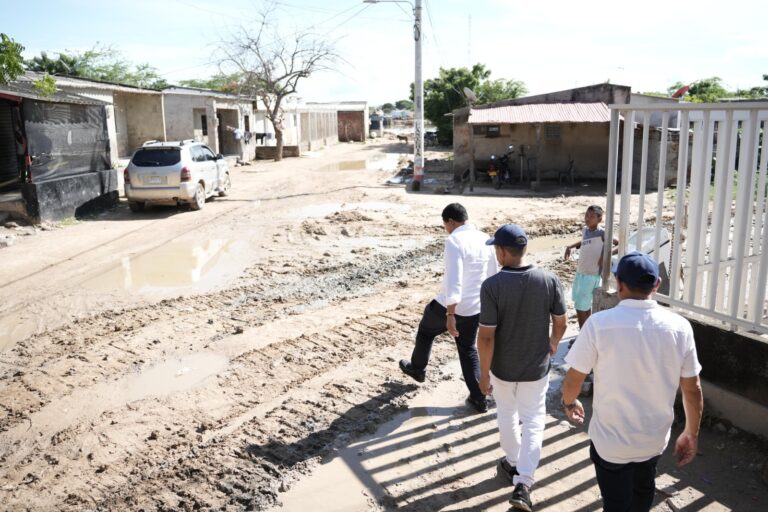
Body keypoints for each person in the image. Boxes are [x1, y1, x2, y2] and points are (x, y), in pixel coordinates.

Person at [562, 252, 703, 512]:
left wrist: (569, 403)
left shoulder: (599, 324)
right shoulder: (680, 327)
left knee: (616, 503)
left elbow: (573, 378)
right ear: (657, 284)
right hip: (653, 439)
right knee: (643, 493)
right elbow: (692, 388)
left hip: (611, 442)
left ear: (618, 284)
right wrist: (690, 433)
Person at [477, 224, 567, 511]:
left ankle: (514, 461)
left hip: (503, 368)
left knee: (506, 413)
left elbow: (486, 336)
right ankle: (523, 482)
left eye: (496, 249)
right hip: (536, 368)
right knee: (533, 420)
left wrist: (484, 374)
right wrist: (553, 342)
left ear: (502, 252)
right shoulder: (549, 279)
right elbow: (561, 322)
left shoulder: (492, 286)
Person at [399, 203, 498, 413]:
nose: (446, 228)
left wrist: (450, 314)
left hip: (452, 305)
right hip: (475, 307)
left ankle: (417, 369)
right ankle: (479, 398)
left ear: (451, 221)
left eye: (445, 225)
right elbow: (492, 276)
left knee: (426, 331)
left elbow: (454, 281)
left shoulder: (454, 241)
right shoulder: (485, 238)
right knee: (467, 348)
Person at [564, 205, 617, 328]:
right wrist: (570, 246)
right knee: (583, 306)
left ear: (600, 219)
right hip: (581, 273)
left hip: (591, 275)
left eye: (591, 216)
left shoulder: (603, 233)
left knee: (580, 307)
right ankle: (587, 332)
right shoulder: (585, 230)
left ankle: (583, 335)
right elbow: (583, 242)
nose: (587, 218)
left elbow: (619, 244)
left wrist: (606, 255)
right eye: (586, 215)